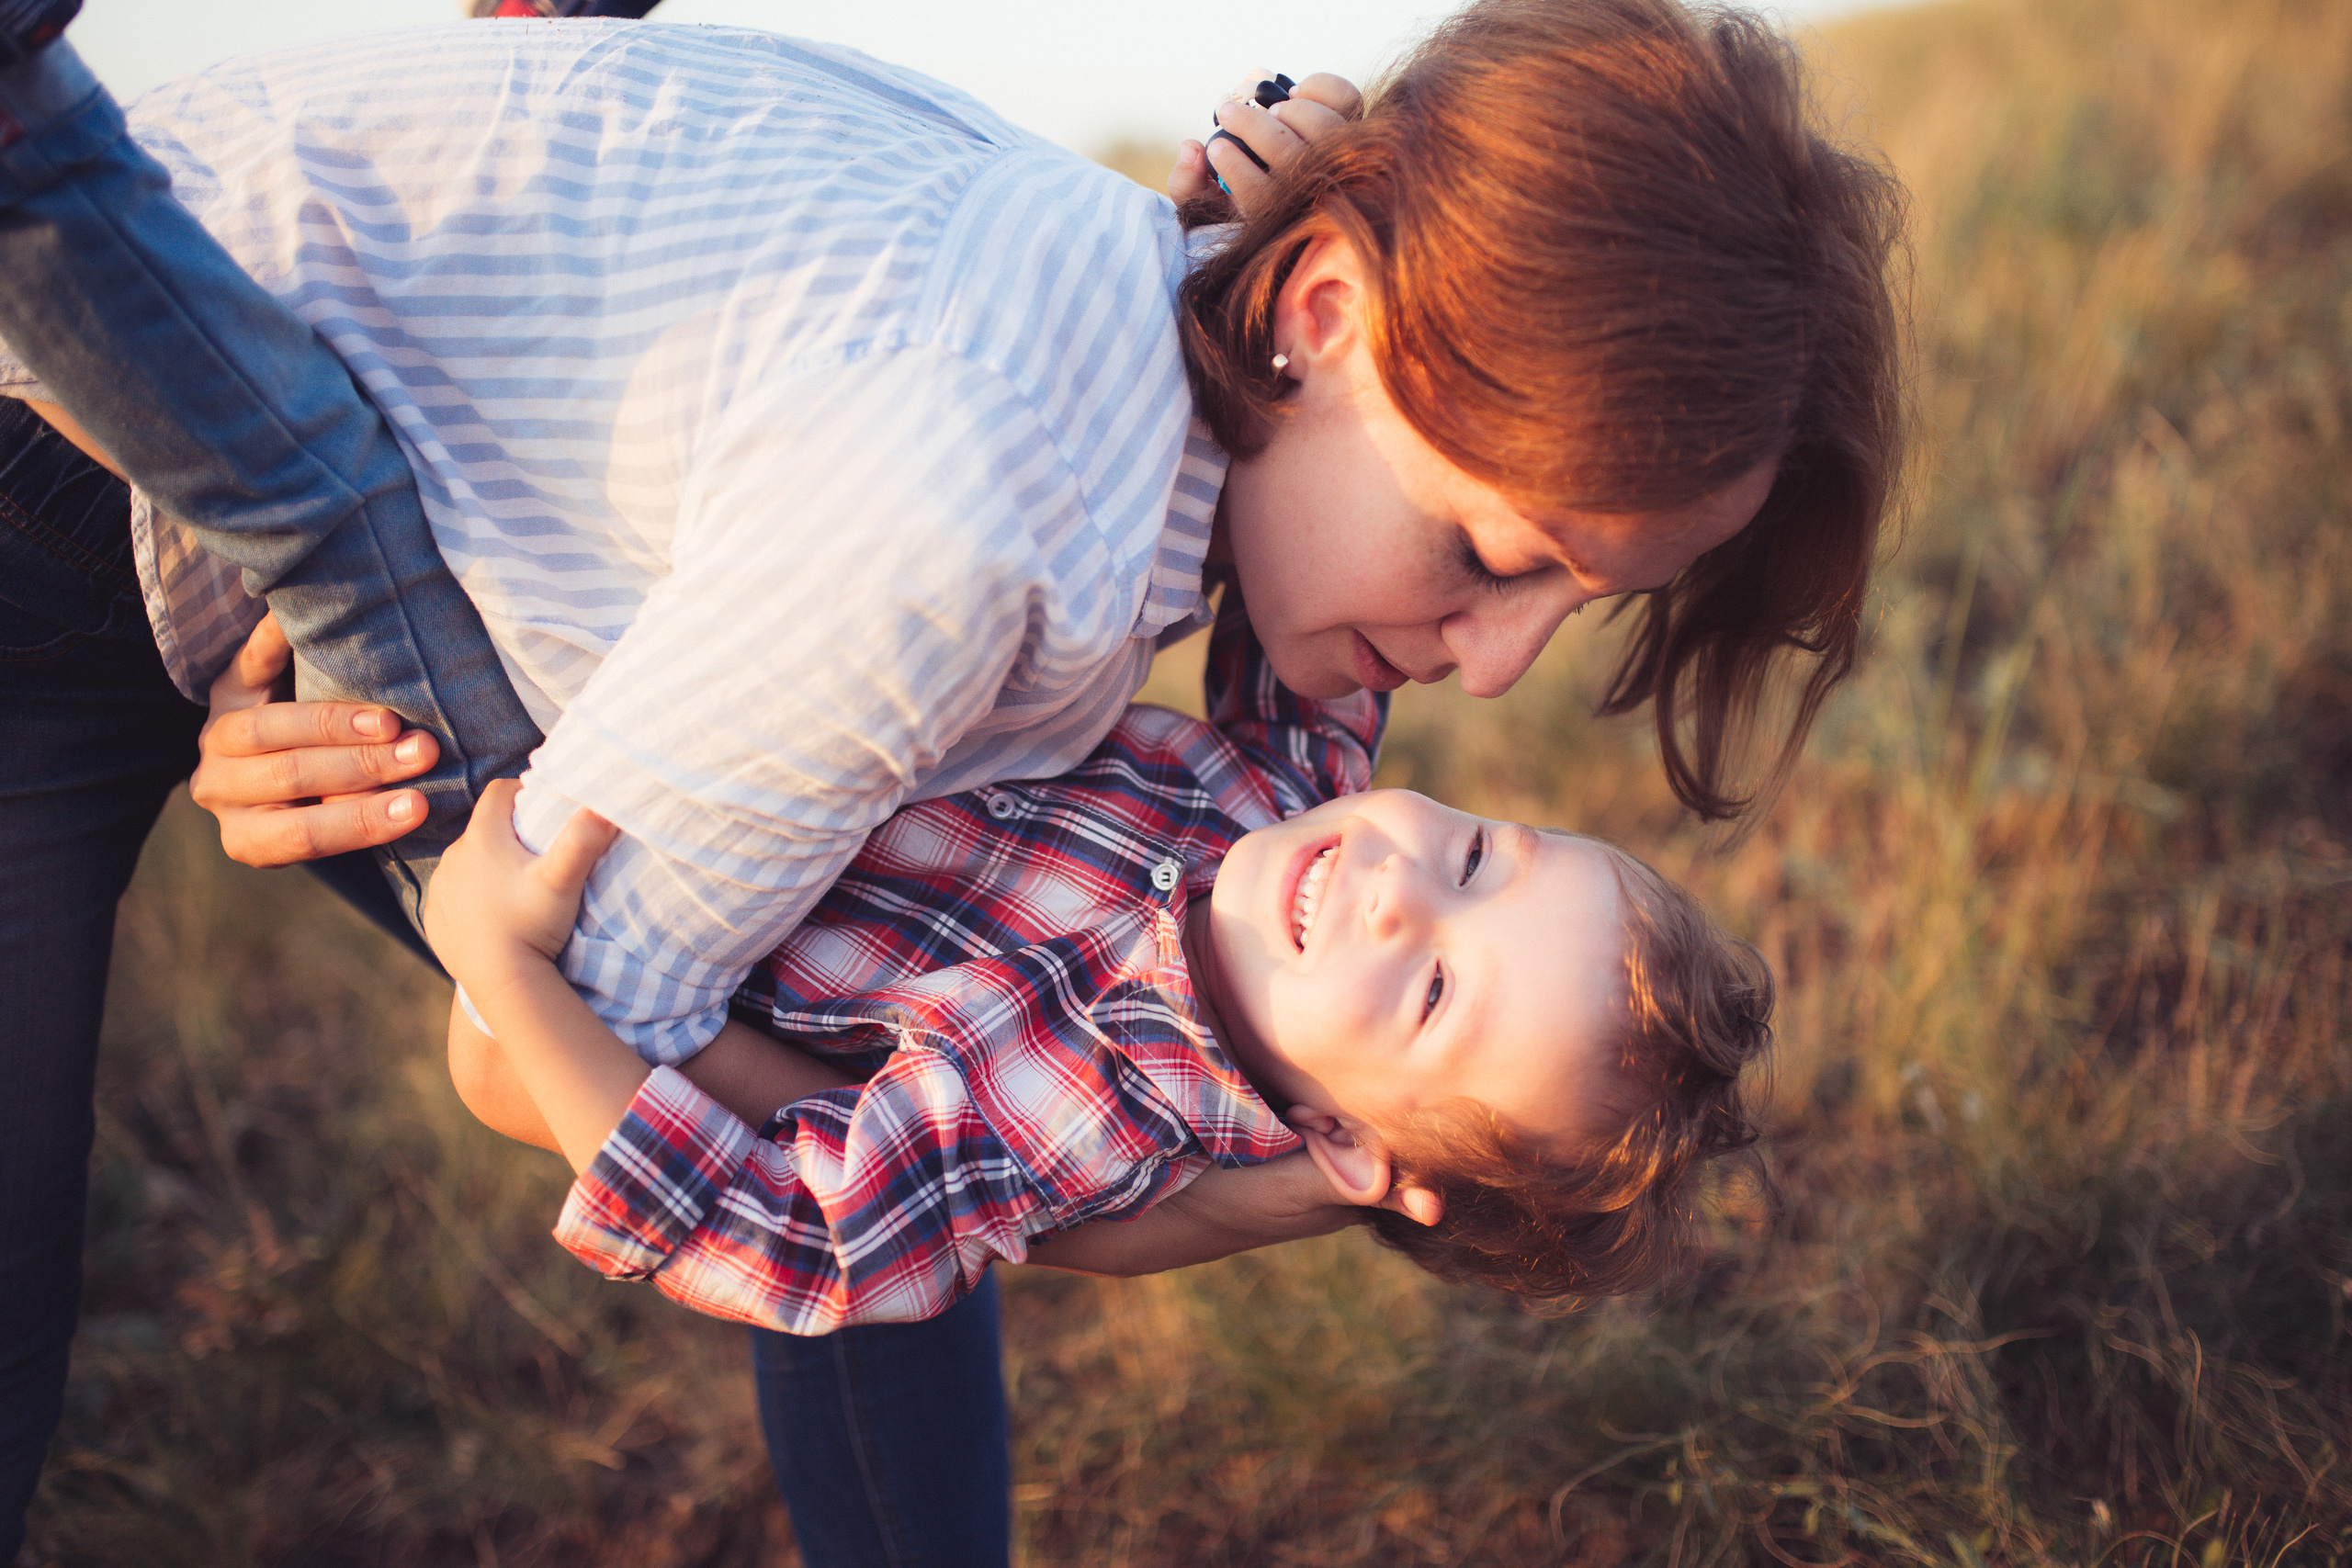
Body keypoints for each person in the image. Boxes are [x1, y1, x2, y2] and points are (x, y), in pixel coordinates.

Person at [0, 0, 1905, 1558]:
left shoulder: (1174, 388)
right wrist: (1151, 1172)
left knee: (938, 1103)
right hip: (90, 437)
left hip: (347, 404)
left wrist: (1223, 1152)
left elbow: (942, 1141)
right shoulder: (966, 532)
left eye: (1572, 599)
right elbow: (542, 1053)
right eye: (1492, 554)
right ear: (1324, 310)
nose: (1490, 668)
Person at [431, 585, 1773, 1329]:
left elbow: (806, 1239)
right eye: (1478, 856)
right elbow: (1314, 533)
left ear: (1345, 1148)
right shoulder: (1288, 782)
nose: (1395, 888)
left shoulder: (1080, 1111)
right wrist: (1238, 223)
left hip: (582, 858)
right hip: (716, 644)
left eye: (1433, 992)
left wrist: (507, 974)